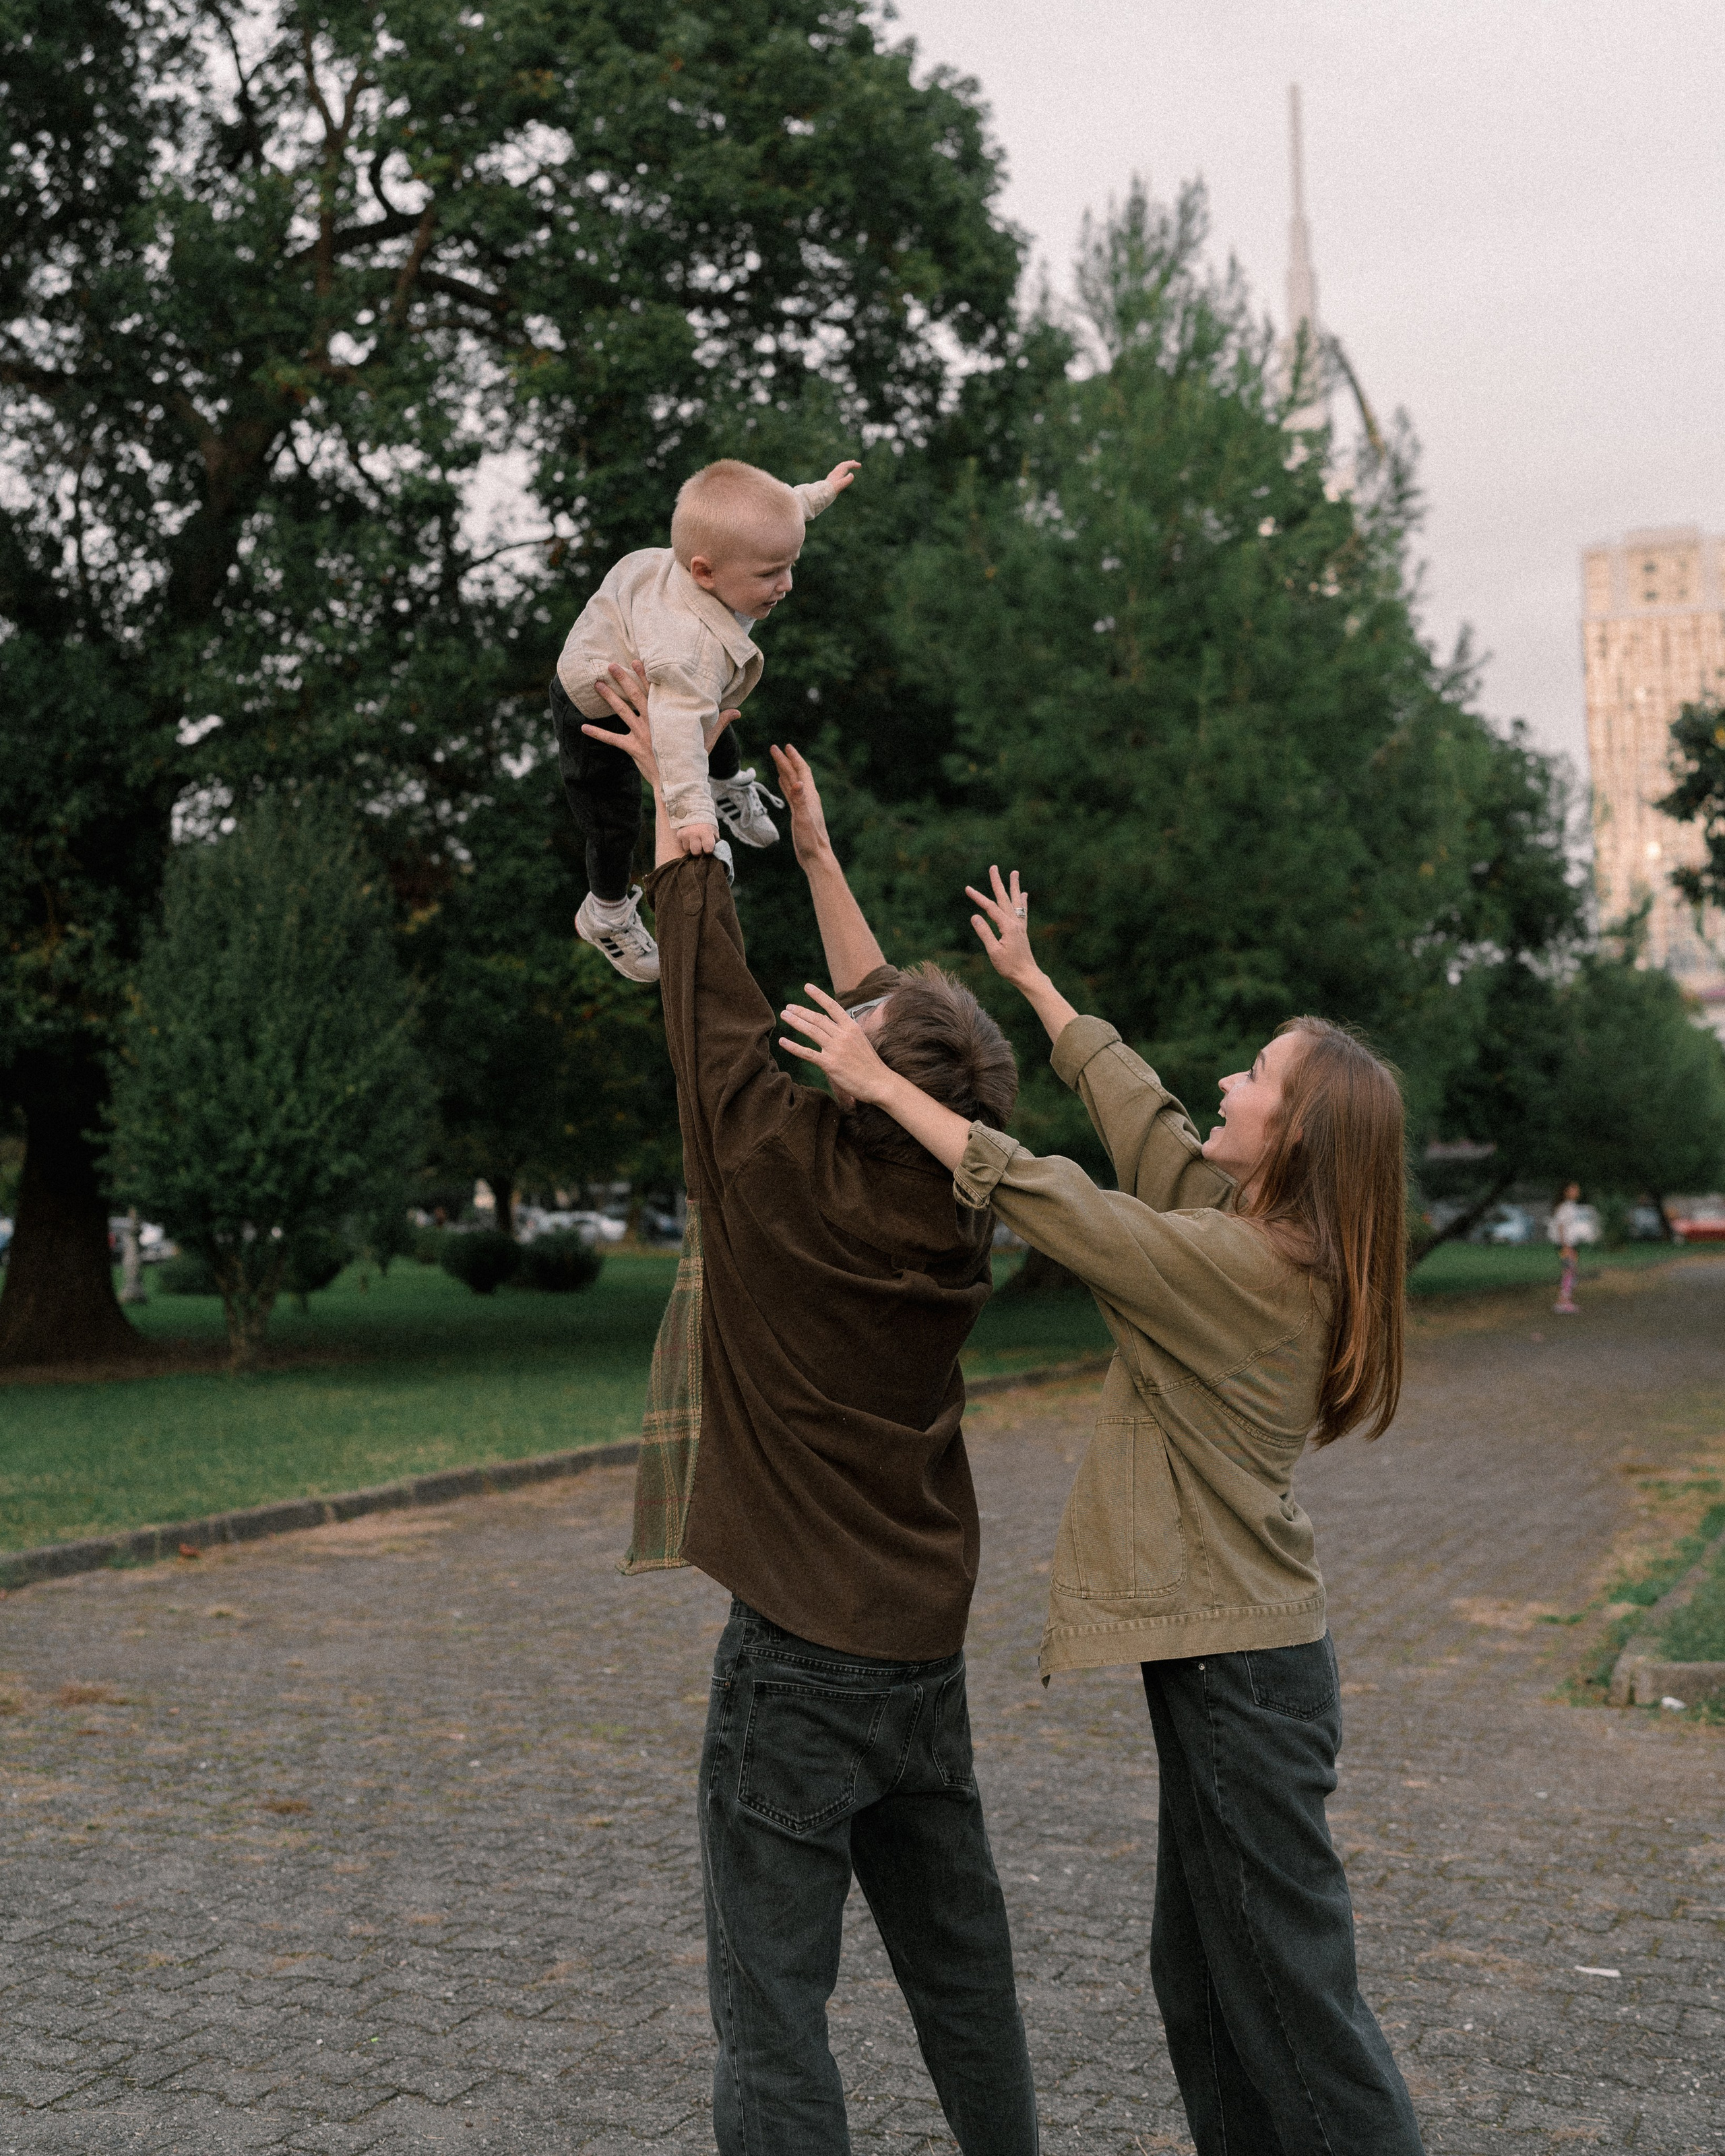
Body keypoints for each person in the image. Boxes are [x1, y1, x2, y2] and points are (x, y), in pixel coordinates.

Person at [778, 866, 1426, 2156]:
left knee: (1294, 1999)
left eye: (1256, 1079)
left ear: (1294, 1138)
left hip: (1249, 1684)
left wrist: (882, 1083)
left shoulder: (1240, 1269)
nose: (1228, 1088)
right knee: (1202, 1983)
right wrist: (1031, 981)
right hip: (1233, 1671)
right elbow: (1147, 1123)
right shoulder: (1248, 1228)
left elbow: (1058, 1202)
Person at [584, 665, 1040, 2156]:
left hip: (796, 1662)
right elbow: (903, 1048)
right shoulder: (966, 1197)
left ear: (850, 1082)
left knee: (771, 2012)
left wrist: (673, 777)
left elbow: (703, 982)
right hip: (918, 1649)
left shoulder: (772, 1176)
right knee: (962, 1976)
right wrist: (816, 850)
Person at [551, 455, 860, 980]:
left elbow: (782, 511)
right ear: (704, 572)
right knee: (614, 820)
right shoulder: (688, 651)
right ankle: (603, 913)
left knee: (715, 722)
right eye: (770, 574)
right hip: (597, 702)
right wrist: (693, 814)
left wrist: (819, 493)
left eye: (791, 565)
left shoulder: (733, 548)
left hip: (662, 669)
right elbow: (673, 733)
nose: (785, 585)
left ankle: (727, 784)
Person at [1549, 1181, 1588, 1313]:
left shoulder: (1572, 1206)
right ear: (1566, 1191)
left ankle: (1565, 1301)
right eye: (1574, 1189)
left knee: (1571, 1272)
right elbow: (1560, 1227)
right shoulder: (1564, 1208)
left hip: (1572, 1245)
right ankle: (1563, 1302)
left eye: (1577, 1189)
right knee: (1569, 1272)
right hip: (1567, 1246)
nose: (1577, 1191)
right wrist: (1565, 1246)